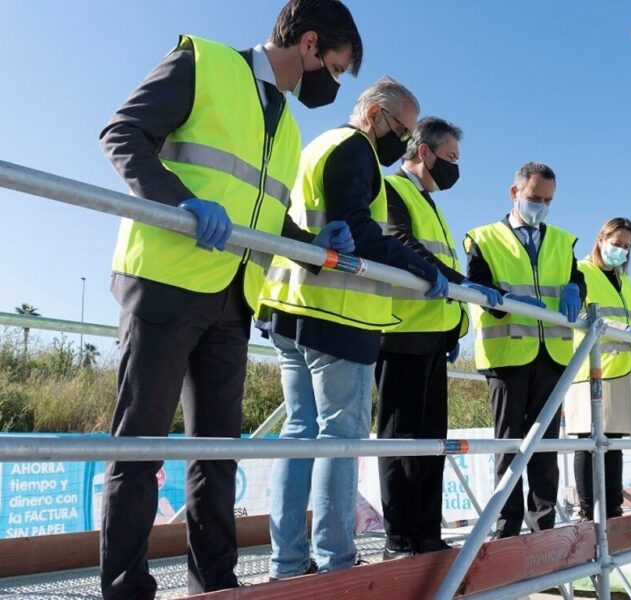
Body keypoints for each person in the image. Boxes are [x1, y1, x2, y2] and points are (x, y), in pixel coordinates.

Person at [98, 1, 362, 597]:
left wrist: (310, 243)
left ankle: (213, 584)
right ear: (310, 44)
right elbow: (121, 133)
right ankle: (124, 589)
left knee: (217, 454)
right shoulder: (205, 63)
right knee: (138, 447)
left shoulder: (289, 127)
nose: (336, 83)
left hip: (233, 299)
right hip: (165, 280)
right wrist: (179, 199)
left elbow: (260, 217)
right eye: (337, 68)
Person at [257, 78, 450, 578]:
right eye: (401, 130)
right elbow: (360, 230)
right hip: (334, 314)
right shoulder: (354, 148)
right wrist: (419, 267)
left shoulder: (317, 144)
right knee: (340, 437)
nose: (403, 143)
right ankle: (336, 560)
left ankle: (288, 561)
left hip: (288, 302)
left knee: (300, 434)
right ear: (373, 114)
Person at [376, 117, 502, 559]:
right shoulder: (394, 188)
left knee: (432, 441)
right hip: (402, 331)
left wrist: (455, 322)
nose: (455, 168)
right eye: (450, 158)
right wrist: (457, 282)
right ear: (424, 152)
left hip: (434, 333)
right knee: (400, 440)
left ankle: (427, 534)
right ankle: (400, 539)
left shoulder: (430, 202)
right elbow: (400, 242)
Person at [464, 162, 586, 536]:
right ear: (514, 193)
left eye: (548, 200)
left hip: (551, 357)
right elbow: (478, 288)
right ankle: (506, 531)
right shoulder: (482, 238)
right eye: (535, 198)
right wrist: (510, 303)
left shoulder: (563, 241)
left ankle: (544, 532)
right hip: (507, 359)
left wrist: (577, 290)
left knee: (545, 452)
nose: (542, 206)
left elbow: (576, 278)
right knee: (510, 449)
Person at [563, 218, 631, 521]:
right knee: (588, 440)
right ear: (601, 238)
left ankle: (612, 509)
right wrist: (625, 328)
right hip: (590, 366)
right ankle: (588, 510)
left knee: (613, 442)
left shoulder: (625, 282)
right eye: (617, 243)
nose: (621, 250)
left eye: (627, 247)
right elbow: (582, 315)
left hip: (621, 368)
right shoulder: (581, 271)